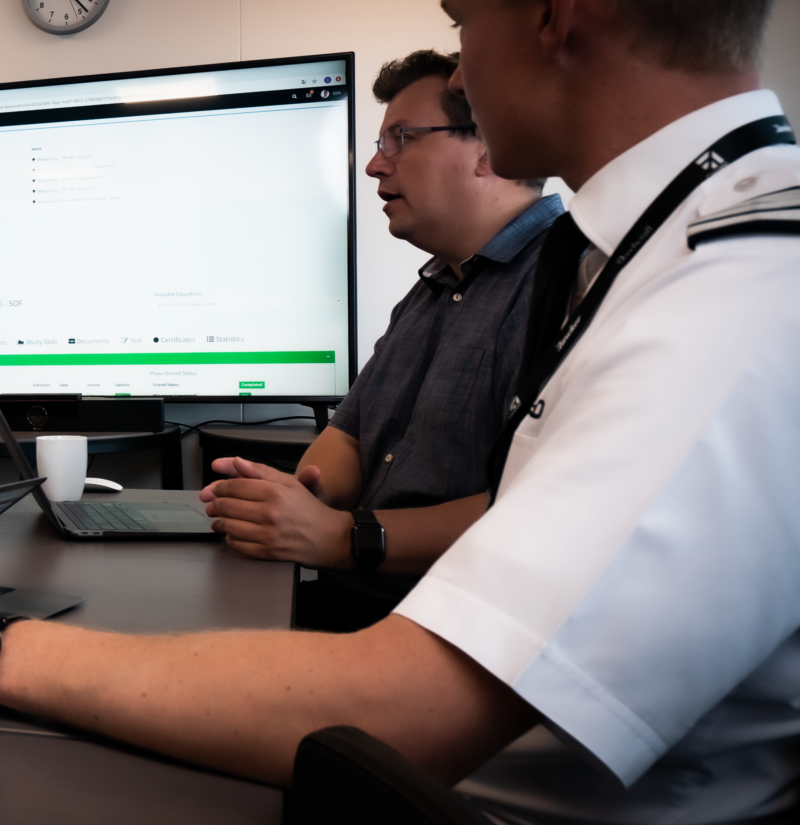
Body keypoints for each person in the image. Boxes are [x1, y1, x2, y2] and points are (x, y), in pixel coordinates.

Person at [0, 0, 800, 825]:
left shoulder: (737, 298)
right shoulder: (649, 255)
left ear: (551, 6)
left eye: (461, 23)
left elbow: (403, 708)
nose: (462, 70)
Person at [203, 50, 560, 633]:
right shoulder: (430, 290)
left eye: (402, 139)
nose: (373, 165)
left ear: (487, 148)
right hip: (356, 605)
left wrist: (342, 536)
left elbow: (540, 508)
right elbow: (350, 435)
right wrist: (301, 499)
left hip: (446, 631)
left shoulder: (567, 282)